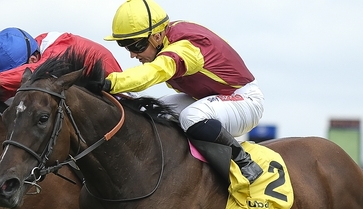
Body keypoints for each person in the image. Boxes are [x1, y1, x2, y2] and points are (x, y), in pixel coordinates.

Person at [99, 0, 264, 190]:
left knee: (191, 116)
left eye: (136, 46)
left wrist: (111, 82)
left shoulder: (187, 48)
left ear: (157, 36)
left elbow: (155, 71)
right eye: (125, 46)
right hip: (210, 100)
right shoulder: (168, 38)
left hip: (245, 101)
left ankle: (244, 164)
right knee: (151, 111)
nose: (133, 55)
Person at [0, 27, 122, 100]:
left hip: (119, 103)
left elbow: (36, 71)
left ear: (32, 59)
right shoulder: (37, 48)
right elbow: (9, 89)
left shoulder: (59, 50)